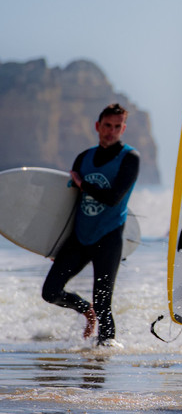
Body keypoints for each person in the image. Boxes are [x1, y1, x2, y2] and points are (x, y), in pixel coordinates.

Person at [42, 103, 140, 346]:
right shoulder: (83, 158)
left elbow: (113, 197)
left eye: (117, 127)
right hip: (79, 237)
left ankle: (103, 358)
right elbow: (69, 205)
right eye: (107, 126)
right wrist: (57, 242)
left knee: (104, 301)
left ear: (123, 129)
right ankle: (86, 310)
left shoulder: (130, 158)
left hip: (109, 236)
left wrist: (83, 184)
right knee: (50, 292)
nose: (111, 131)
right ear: (98, 126)